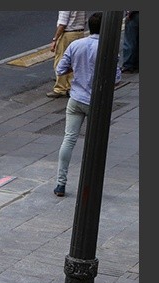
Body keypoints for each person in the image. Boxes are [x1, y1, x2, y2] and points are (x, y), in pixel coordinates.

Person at [53, 12, 121, 197]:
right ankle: (91, 183)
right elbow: (116, 78)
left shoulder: (76, 45)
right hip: (96, 102)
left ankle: (60, 183)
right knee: (95, 144)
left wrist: (75, 68)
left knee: (69, 139)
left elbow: (60, 70)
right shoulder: (108, 48)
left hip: (75, 99)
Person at [47, 11, 87, 98]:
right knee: (74, 61)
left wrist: (55, 39)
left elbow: (62, 24)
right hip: (79, 33)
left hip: (68, 34)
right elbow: (84, 20)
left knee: (61, 60)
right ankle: (70, 86)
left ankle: (60, 88)